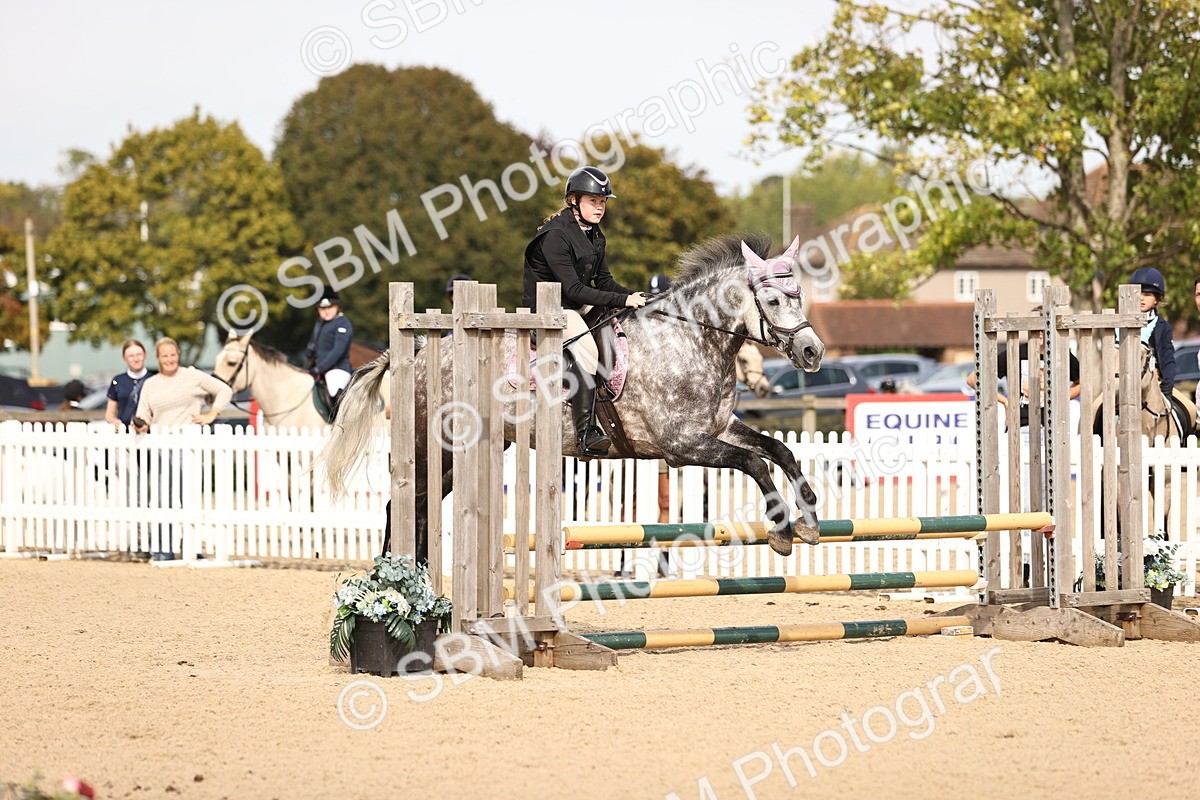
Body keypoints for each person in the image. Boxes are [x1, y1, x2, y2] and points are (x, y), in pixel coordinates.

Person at [522, 165, 646, 456]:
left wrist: (634, 295)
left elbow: (604, 281)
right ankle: (586, 433)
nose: (600, 207)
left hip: (573, 304)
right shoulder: (555, 236)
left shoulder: (594, 234)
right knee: (589, 350)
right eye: (593, 201)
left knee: (617, 320)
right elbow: (575, 289)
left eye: (602, 202)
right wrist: (623, 301)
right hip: (548, 310)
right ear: (573, 200)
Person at [132, 337, 233, 431]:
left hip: (187, 443)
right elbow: (143, 415)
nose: (170, 360)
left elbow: (225, 390)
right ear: (158, 358)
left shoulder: (192, 375)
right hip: (160, 444)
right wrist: (141, 425)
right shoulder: (150, 384)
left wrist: (212, 414)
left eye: (173, 355)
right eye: (165, 356)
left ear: (178, 355)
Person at [1131, 267, 1175, 396]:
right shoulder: (1118, 324)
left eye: (1147, 294)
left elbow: (1168, 358)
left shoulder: (1164, 327)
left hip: (1155, 381)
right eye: (1138, 293)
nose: (1141, 298)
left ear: (1156, 299)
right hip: (1122, 381)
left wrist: (1168, 382)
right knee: (1097, 407)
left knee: (1188, 407)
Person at [305, 286, 354, 399]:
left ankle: (338, 417)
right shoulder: (320, 324)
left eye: (330, 307)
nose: (326, 311)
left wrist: (320, 368)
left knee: (334, 391)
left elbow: (338, 351)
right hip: (318, 369)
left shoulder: (342, 324)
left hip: (337, 369)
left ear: (337, 307)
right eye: (322, 308)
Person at [105, 339, 157, 429]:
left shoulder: (155, 378)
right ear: (124, 358)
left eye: (139, 355)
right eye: (131, 356)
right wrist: (114, 422)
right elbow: (109, 413)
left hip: (150, 432)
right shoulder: (117, 380)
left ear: (145, 355)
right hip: (124, 433)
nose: (136, 359)